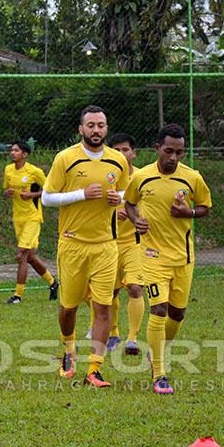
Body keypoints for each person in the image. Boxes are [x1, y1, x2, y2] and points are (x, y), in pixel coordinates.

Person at [41, 105, 129, 388]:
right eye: (90, 125)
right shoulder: (65, 158)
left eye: (101, 125)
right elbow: (46, 198)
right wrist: (81, 194)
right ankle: (68, 349)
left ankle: (95, 368)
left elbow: (127, 192)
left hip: (106, 245)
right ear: (81, 129)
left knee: (104, 307)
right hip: (73, 245)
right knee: (69, 308)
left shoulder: (118, 161)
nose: (96, 130)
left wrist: (121, 199)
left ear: (106, 128)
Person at [124, 124, 211, 395]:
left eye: (179, 152)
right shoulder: (142, 177)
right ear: (157, 148)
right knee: (159, 310)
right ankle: (159, 373)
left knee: (177, 314)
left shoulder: (192, 178)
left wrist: (189, 213)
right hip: (152, 256)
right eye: (169, 151)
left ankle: (158, 350)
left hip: (183, 257)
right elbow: (129, 202)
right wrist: (137, 219)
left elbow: (206, 207)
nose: (173, 157)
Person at [86, 133, 145, 354]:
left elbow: (148, 208)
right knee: (107, 294)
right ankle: (113, 333)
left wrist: (131, 214)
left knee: (135, 287)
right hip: (107, 243)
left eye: (126, 150)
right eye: (117, 151)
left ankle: (132, 339)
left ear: (133, 153)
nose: (122, 154)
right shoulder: (102, 176)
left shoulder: (141, 177)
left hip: (134, 243)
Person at [2, 140, 58, 304]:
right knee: (31, 257)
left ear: (24, 154)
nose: (12, 153)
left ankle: (17, 296)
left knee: (21, 256)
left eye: (16, 150)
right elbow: (5, 191)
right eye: (11, 150)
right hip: (17, 218)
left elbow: (50, 189)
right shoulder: (8, 170)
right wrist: (9, 192)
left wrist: (32, 195)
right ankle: (53, 282)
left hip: (32, 218)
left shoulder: (34, 171)